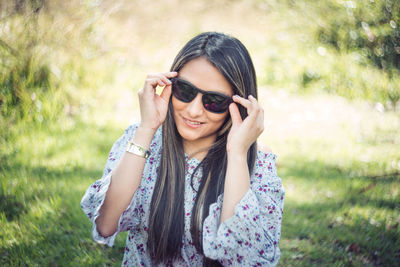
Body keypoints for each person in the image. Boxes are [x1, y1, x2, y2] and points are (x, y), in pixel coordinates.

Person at [81, 32, 285, 266]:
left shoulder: (257, 165)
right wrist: (147, 128)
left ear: (238, 105)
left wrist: (237, 154)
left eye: (214, 101)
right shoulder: (143, 141)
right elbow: (106, 224)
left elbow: (240, 257)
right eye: (185, 91)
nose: (194, 111)